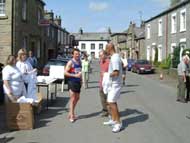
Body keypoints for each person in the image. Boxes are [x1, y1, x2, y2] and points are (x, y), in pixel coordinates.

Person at [103, 43, 123, 133]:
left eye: (106, 48)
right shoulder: (115, 56)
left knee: (111, 102)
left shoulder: (114, 58)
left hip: (115, 84)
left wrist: (106, 75)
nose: (105, 50)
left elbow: (116, 72)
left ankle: (118, 123)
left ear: (110, 48)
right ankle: (114, 120)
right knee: (111, 102)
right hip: (113, 83)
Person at [64, 48, 82, 123]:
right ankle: (72, 115)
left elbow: (80, 72)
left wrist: (81, 80)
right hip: (71, 82)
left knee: (77, 98)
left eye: (78, 54)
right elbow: (65, 73)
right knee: (72, 98)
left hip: (78, 82)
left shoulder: (79, 61)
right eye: (76, 54)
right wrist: (74, 76)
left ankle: (71, 112)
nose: (77, 55)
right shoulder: (70, 62)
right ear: (73, 54)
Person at [99, 50, 110, 117]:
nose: (100, 57)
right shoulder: (101, 62)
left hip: (108, 84)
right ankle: (105, 111)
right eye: (99, 55)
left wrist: (105, 74)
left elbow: (113, 73)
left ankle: (110, 112)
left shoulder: (109, 62)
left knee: (108, 99)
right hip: (102, 83)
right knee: (102, 98)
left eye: (101, 55)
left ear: (105, 55)